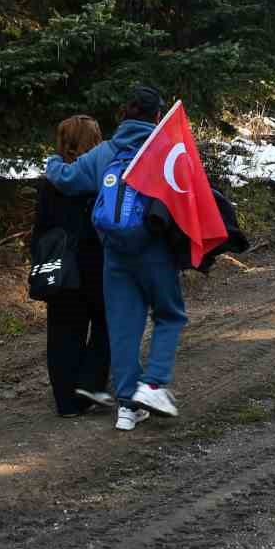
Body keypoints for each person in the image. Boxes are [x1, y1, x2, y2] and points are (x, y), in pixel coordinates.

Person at [43, 86, 185, 432]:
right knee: (169, 314)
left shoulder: (105, 152)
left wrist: (51, 161)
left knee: (123, 327)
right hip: (155, 251)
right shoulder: (166, 149)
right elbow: (187, 197)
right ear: (156, 117)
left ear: (123, 115)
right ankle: (151, 386)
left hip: (115, 253)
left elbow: (67, 179)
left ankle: (126, 408)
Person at [32, 116, 111, 417]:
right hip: (97, 262)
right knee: (108, 324)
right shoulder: (104, 176)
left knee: (63, 331)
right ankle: (90, 382)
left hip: (60, 264)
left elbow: (41, 226)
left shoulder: (50, 180)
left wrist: (38, 259)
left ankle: (66, 401)